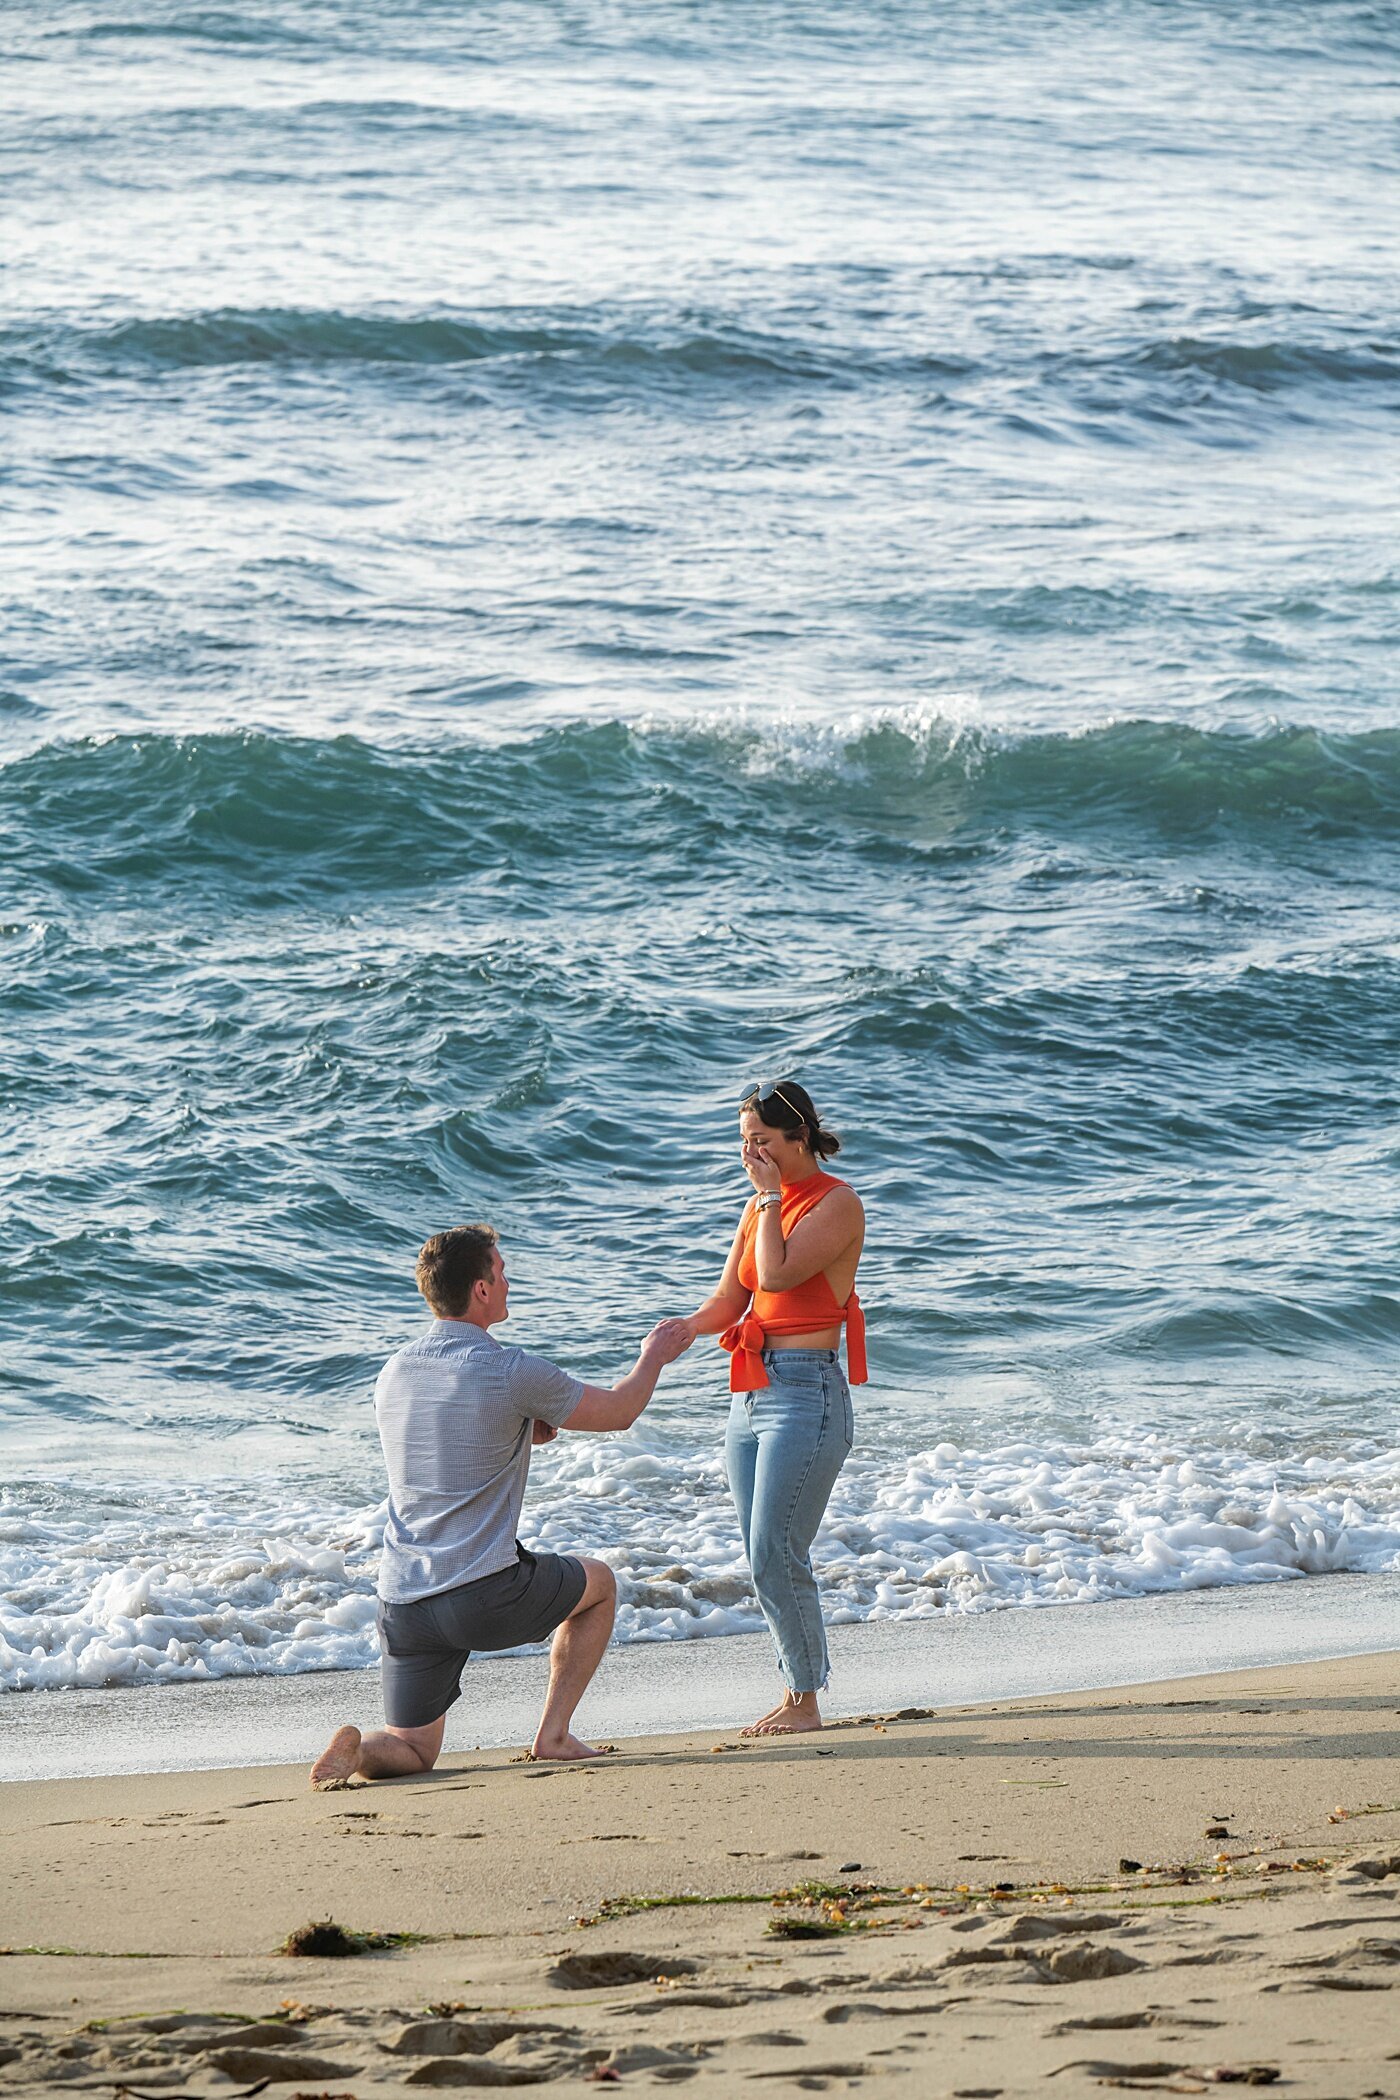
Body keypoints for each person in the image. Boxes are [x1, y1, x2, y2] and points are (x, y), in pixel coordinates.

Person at [310, 1223, 690, 1787]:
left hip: (405, 1601)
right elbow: (617, 1412)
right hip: (482, 1594)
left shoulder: (395, 1371)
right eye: (502, 1272)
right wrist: (653, 1356)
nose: (508, 1282)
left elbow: (444, 1442)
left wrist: (517, 1432)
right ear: (481, 1289)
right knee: (601, 1585)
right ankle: (554, 1735)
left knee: (413, 1750)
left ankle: (360, 1750)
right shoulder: (510, 1368)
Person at [673, 1080, 865, 1736]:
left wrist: (772, 1198)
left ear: (799, 1138)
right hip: (751, 1391)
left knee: (776, 1546)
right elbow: (732, 1300)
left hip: (807, 1392)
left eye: (761, 1141)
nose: (750, 1152)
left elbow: (779, 1276)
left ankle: (805, 1701)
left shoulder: (837, 1204)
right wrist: (682, 1329)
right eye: (743, 1142)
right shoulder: (760, 1208)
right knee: (764, 1554)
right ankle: (795, 1693)